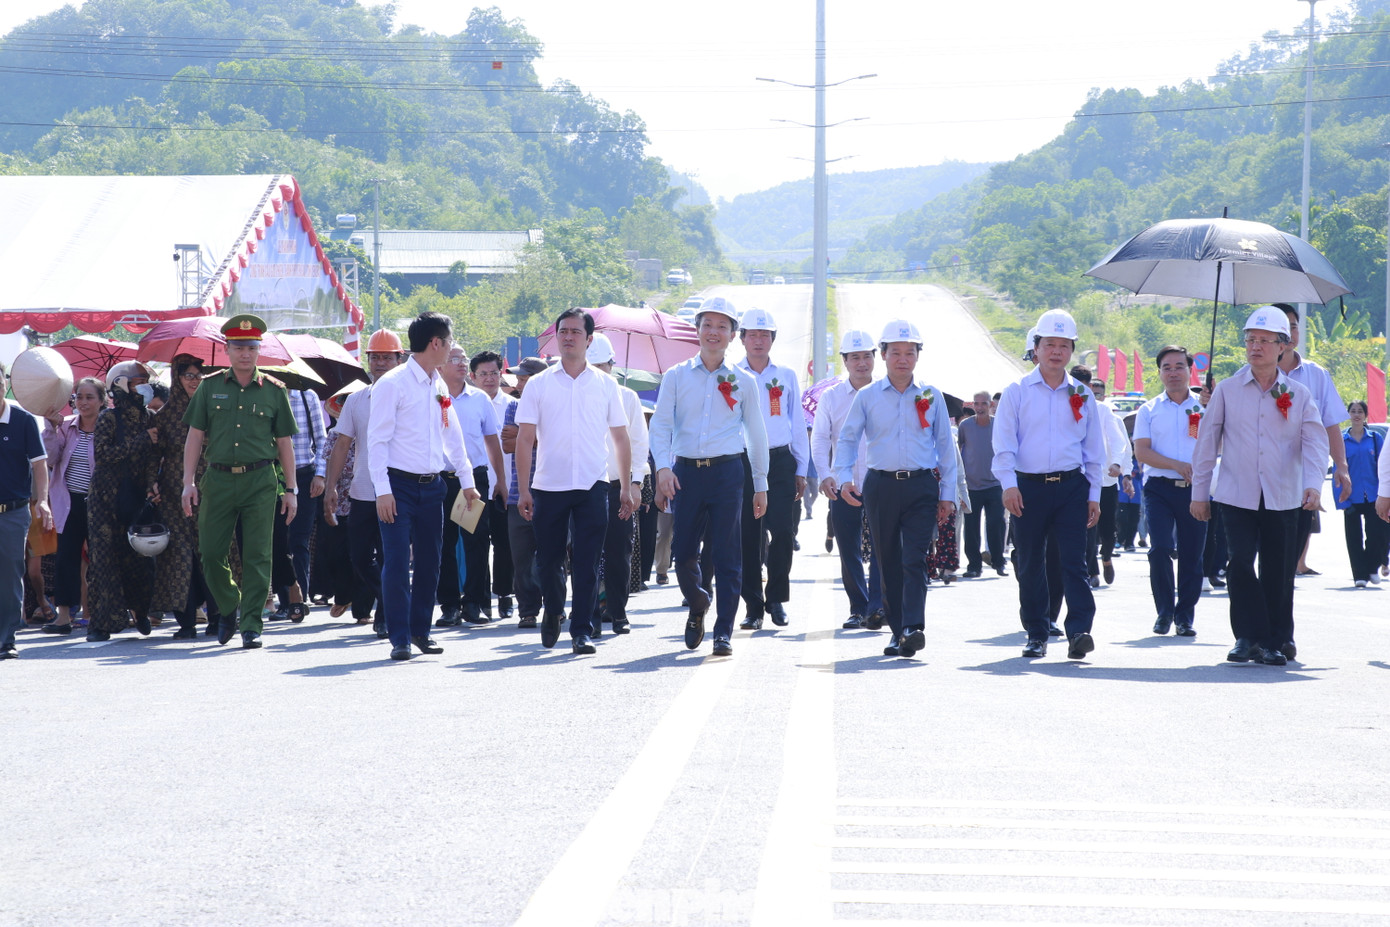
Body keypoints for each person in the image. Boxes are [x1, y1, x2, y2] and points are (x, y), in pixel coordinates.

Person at [1191, 306, 1328, 665]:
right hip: (1236, 495)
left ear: (1283, 346)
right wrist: (1199, 494)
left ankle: (1277, 637)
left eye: (1266, 341)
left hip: (1284, 495)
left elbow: (1315, 442)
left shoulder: (1297, 393)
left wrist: (1313, 484)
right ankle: (1249, 636)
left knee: (1278, 570)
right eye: (1251, 339)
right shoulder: (1227, 391)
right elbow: (1207, 443)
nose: (1256, 347)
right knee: (1239, 564)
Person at [827, 320, 956, 658]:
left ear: (917, 356)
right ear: (883, 355)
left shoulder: (931, 395)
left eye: (909, 353)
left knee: (914, 557)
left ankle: (914, 626)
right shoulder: (868, 396)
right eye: (895, 352)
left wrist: (948, 494)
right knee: (887, 561)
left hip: (922, 486)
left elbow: (946, 446)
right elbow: (848, 439)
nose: (902, 359)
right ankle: (898, 631)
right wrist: (844, 477)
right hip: (880, 486)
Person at [649, 296, 769, 657]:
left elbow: (756, 433)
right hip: (686, 472)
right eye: (707, 325)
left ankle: (723, 632)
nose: (713, 332)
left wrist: (760, 484)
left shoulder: (743, 381)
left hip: (728, 472)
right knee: (684, 552)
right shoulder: (676, 376)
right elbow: (661, 425)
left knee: (728, 554)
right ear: (697, 330)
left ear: (733, 335)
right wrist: (663, 467)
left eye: (722, 326)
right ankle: (698, 601)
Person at [515, 309, 632, 654]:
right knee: (548, 560)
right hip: (549, 485)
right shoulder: (538, 384)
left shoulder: (606, 385)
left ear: (589, 339)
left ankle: (581, 628)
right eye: (563, 331)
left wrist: (625, 485)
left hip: (593, 484)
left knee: (587, 560)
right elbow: (524, 440)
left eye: (575, 332)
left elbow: (621, 438)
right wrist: (524, 488)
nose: (568, 337)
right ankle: (552, 610)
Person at [992, 309, 1104, 660]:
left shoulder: (1082, 395)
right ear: (1036, 347)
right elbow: (1004, 443)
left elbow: (1094, 449)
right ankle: (1037, 632)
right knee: (1029, 562)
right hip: (1028, 489)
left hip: (1072, 487)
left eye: (1064, 345)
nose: (1057, 351)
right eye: (1049, 344)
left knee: (1075, 561)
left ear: (1072, 350)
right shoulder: (1017, 392)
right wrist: (1009, 485)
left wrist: (1094, 494)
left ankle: (1080, 631)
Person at [183, 314, 299, 650]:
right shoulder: (210, 387)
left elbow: (284, 444)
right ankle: (230, 602)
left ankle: (251, 624)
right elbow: (194, 436)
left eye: (250, 347)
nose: (244, 353)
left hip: (260, 480)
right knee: (211, 552)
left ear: (258, 350)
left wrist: (290, 489)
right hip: (217, 479)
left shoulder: (275, 392)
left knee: (258, 555)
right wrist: (187, 482)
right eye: (238, 347)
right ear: (227, 349)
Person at [367, 312, 477, 661]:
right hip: (397, 487)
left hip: (433, 487)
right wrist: (382, 490)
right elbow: (376, 441)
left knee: (431, 562)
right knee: (398, 562)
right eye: (449, 342)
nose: (452, 350)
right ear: (435, 343)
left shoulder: (438, 384)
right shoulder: (393, 384)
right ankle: (399, 636)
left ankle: (420, 631)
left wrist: (467, 481)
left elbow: (452, 434)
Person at [325, 329, 406, 637]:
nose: (382, 362)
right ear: (368, 361)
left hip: (398, 490)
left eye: (388, 357)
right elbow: (342, 443)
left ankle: (385, 615)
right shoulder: (357, 399)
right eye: (376, 357)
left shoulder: (408, 397)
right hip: (362, 490)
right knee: (359, 555)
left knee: (390, 555)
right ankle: (389, 598)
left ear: (400, 359)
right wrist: (332, 486)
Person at [734, 307, 808, 630]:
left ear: (773, 339)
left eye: (765, 335)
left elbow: (797, 423)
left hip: (780, 462)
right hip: (744, 461)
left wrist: (801, 467)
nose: (759, 341)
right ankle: (753, 606)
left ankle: (775, 597)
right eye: (753, 335)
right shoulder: (731, 374)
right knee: (749, 535)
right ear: (742, 339)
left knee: (781, 531)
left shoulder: (786, 375)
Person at [1133, 346, 1208, 636]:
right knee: (1161, 547)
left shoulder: (1204, 408)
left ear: (1191, 370)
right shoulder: (1149, 409)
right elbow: (1142, 452)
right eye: (1167, 367)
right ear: (1160, 372)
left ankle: (1185, 616)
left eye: (1179, 366)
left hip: (1195, 489)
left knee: (1192, 553)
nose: (1173, 372)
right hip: (1159, 489)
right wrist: (1177, 465)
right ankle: (1164, 612)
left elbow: (1223, 443)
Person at [85, 361, 162, 642]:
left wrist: (154, 482)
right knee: (104, 560)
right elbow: (104, 455)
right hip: (105, 499)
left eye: (144, 380)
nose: (142, 386)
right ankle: (101, 624)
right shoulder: (108, 418)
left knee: (140, 559)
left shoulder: (149, 417)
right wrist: (141, 440)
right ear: (119, 385)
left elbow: (154, 457)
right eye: (136, 381)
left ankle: (141, 611)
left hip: (137, 496)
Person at [812, 330, 883, 630]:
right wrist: (825, 475)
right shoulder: (831, 397)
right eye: (855, 357)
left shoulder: (887, 392)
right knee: (848, 547)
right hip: (844, 484)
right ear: (844, 361)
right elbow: (819, 439)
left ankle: (878, 606)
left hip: (882, 482)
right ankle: (859, 607)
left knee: (883, 547)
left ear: (875, 358)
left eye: (867, 355)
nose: (862, 363)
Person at [1274, 304, 1351, 577]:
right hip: (1266, 471)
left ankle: (1292, 569)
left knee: (1298, 530)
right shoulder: (1249, 377)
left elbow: (1331, 423)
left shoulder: (1316, 375)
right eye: (1282, 327)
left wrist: (1341, 465)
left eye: (1293, 326)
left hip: (1306, 470)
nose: (1289, 333)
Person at [150, 356, 222, 639]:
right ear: (177, 379)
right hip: (174, 493)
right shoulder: (165, 415)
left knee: (213, 552)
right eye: (187, 375)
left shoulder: (216, 409)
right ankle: (186, 622)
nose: (194, 380)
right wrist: (150, 483)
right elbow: (154, 457)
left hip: (214, 489)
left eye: (198, 374)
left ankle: (218, 616)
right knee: (180, 557)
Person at [435, 344, 505, 628]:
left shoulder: (479, 399)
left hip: (474, 480)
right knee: (443, 544)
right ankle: (449, 605)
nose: (462, 364)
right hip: (440, 479)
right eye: (455, 359)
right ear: (440, 365)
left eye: (463, 359)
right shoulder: (432, 397)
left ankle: (475, 603)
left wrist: (500, 479)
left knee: (476, 542)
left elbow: (492, 442)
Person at [585, 333, 649, 636]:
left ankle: (618, 611)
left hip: (617, 485)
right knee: (586, 554)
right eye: (592, 364)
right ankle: (590, 614)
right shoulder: (577, 395)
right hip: (584, 487)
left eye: (604, 365)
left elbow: (638, 443)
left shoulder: (627, 397)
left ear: (613, 365)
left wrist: (635, 482)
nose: (599, 370)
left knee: (619, 551)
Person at [40, 377, 103, 634]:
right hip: (68, 502)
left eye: (90, 397)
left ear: (102, 400)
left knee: (102, 559)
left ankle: (102, 613)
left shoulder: (109, 427)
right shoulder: (65, 426)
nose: (83, 402)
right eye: (79, 397)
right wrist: (51, 429)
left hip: (100, 503)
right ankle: (64, 616)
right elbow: (51, 458)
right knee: (66, 558)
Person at [0, 364, 52, 659]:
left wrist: (42, 500)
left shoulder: (22, 420)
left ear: (4, 382)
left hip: (13, 512)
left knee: (9, 577)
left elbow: (39, 464)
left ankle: (6, 639)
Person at [500, 357, 547, 629]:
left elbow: (560, 439)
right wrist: (533, 436)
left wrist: (525, 436)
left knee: (551, 556)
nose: (518, 383)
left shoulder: (554, 407)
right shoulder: (513, 407)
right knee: (521, 557)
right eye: (518, 378)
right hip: (518, 493)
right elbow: (507, 444)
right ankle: (528, 610)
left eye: (524, 378)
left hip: (551, 492)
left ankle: (553, 605)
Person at [469, 350, 515, 620]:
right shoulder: (463, 403)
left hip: (505, 485)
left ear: (501, 374)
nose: (489, 379)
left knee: (504, 543)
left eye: (494, 373)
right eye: (483, 374)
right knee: (475, 543)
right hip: (472, 485)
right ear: (473, 377)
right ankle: (479, 597)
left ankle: (505, 594)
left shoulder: (513, 405)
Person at [275, 387, 328, 621]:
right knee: (277, 541)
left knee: (299, 540)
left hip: (305, 475)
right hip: (273, 475)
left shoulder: (307, 396)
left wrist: (321, 475)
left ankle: (299, 600)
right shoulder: (265, 392)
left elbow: (322, 440)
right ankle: (284, 600)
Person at [1338, 400, 1387, 587]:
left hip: (1374, 495)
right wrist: (1341, 501)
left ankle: (1371, 566)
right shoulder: (1342, 440)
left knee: (1377, 535)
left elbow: (1384, 468)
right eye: (1353, 411)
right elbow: (1337, 470)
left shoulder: (1375, 439)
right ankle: (1360, 575)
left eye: (1360, 411)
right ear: (1348, 414)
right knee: (1353, 537)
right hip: (1350, 495)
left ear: (1365, 415)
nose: (1356, 414)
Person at [958, 390, 1006, 579]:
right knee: (971, 527)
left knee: (996, 523)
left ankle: (998, 561)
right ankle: (974, 566)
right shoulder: (965, 426)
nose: (979, 408)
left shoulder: (999, 425)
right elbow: (959, 449)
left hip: (995, 484)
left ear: (990, 405)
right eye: (976, 404)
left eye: (983, 404)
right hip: (971, 485)